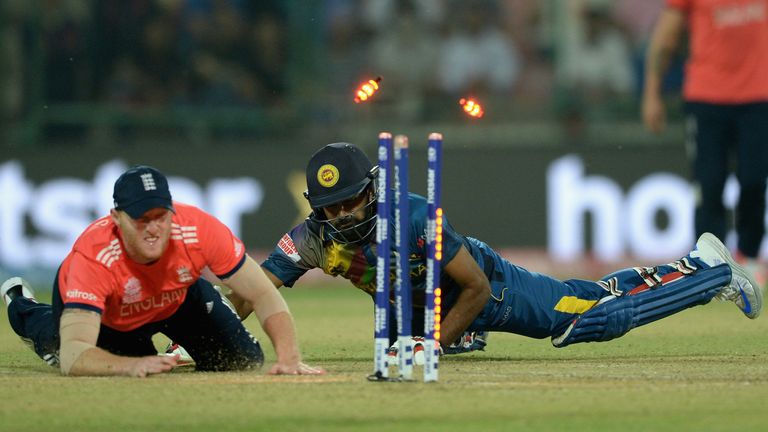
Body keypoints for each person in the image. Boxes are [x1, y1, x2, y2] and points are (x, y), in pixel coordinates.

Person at [225, 142, 761, 354]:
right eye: (330, 207)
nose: (341, 216)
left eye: (350, 202)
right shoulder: (314, 238)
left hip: (488, 288)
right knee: (586, 294)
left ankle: (709, 270)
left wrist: (433, 342)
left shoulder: (413, 216)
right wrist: (207, 335)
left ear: (372, 189)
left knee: (584, 318)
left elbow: (476, 287)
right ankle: (693, 264)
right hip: (424, 303)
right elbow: (252, 286)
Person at [1, 165, 324, 377]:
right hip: (114, 317)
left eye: (161, 216)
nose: (154, 229)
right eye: (142, 219)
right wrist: (133, 364)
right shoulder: (93, 258)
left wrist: (289, 357)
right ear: (117, 218)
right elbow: (74, 356)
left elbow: (263, 294)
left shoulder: (199, 229)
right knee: (83, 352)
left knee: (241, 360)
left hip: (175, 296)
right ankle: (26, 310)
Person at [641, 0, 768, 279]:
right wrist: (652, 93)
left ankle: (749, 257)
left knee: (754, 181)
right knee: (709, 185)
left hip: (759, 98)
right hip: (707, 99)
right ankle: (711, 266)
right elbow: (666, 36)